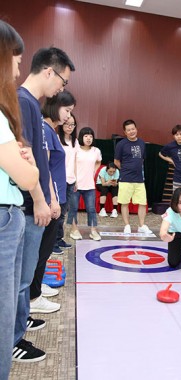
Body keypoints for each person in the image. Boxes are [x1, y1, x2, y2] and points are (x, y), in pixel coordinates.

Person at [13, 46, 75, 363]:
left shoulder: (32, 107)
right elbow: (24, 159)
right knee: (20, 278)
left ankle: (18, 326)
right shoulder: (23, 102)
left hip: (34, 201)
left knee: (24, 276)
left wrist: (49, 196)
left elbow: (41, 160)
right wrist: (40, 198)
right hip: (24, 205)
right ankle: (13, 338)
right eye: (62, 82)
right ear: (49, 71)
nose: (60, 90)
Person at [0, 20, 39, 380]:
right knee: (3, 311)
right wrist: (29, 167)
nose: (17, 67)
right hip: (5, 217)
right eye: (14, 58)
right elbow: (28, 176)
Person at [28, 91, 76, 315]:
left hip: (56, 197)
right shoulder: (45, 130)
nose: (68, 116)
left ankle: (36, 287)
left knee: (45, 250)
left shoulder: (52, 132)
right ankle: (33, 296)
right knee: (41, 249)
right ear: (55, 106)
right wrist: (52, 200)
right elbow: (43, 169)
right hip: (49, 201)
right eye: (67, 110)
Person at [114, 119, 151, 234]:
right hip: (125, 179)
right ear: (125, 132)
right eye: (128, 130)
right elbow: (116, 161)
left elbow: (143, 159)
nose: (131, 131)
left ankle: (141, 225)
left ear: (136, 129)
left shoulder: (142, 143)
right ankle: (127, 225)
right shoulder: (121, 144)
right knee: (124, 203)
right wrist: (125, 169)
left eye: (133, 129)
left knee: (142, 203)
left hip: (139, 179)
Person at [67, 127, 102, 241]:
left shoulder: (96, 151)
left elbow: (98, 161)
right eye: (86, 136)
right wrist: (75, 179)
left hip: (90, 185)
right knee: (73, 208)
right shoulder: (76, 149)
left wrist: (94, 172)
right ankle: (74, 229)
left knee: (91, 208)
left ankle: (93, 230)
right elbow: (71, 164)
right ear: (81, 137)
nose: (88, 138)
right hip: (75, 184)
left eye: (91, 136)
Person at [54, 113, 78, 253]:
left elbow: (74, 162)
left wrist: (76, 180)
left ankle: (58, 239)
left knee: (63, 212)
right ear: (62, 124)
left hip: (70, 180)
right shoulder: (56, 139)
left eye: (72, 124)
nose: (70, 127)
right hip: (59, 180)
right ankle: (52, 243)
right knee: (57, 212)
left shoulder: (75, 142)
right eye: (67, 123)